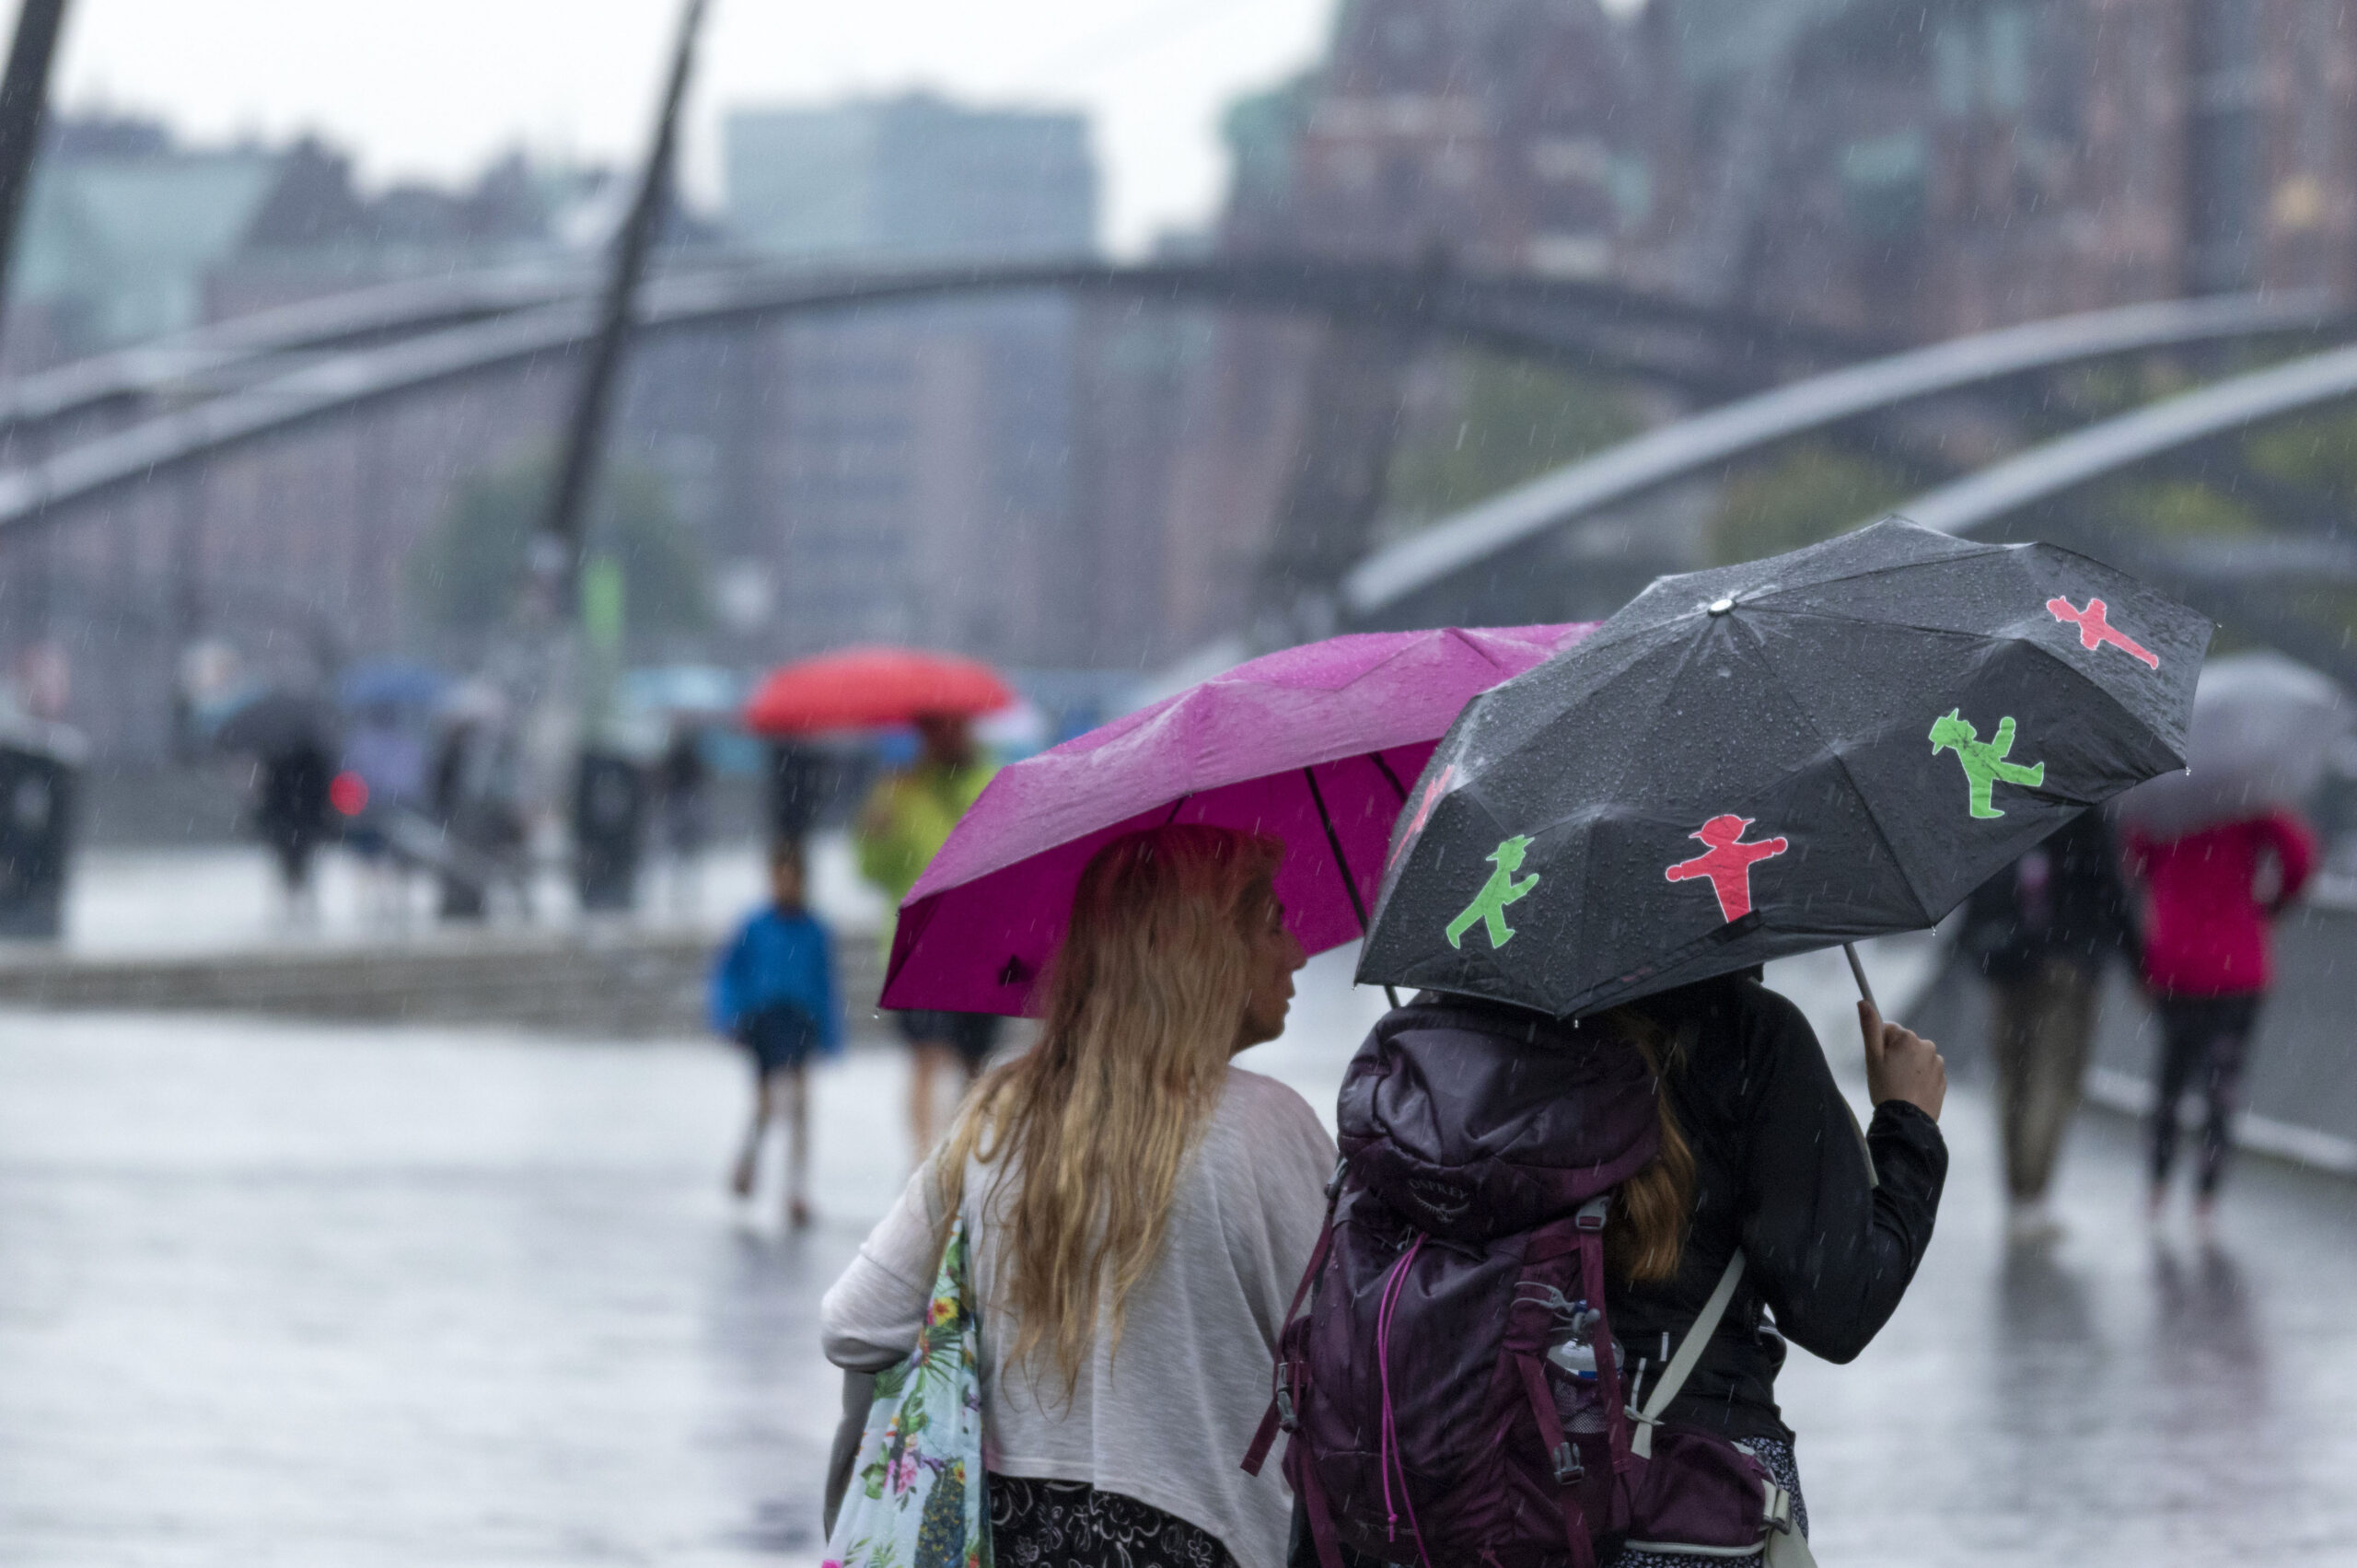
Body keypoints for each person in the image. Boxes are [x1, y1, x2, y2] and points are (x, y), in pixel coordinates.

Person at [1296, 972, 1949, 1568]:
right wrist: (1907, 1123)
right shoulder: (1746, 1031)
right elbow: (1839, 1306)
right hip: (1688, 1497)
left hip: (1469, 1487)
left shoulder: (1438, 1028)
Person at [821, 825, 1332, 1568]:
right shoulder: (1263, 1128)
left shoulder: (998, 1117)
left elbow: (855, 1325)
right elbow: (1363, 1373)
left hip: (1019, 1536)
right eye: (1272, 923)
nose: (1297, 952)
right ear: (1201, 951)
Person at [2122, 806, 2317, 1226]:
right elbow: (2301, 855)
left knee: (2170, 1079)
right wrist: (2272, 904)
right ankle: (2205, 1200)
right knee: (2222, 1084)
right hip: (2238, 964)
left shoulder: (2170, 800)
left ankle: (2157, 1188)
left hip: (2177, 963)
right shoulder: (2247, 795)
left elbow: (2135, 861)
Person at [1958, 809, 2137, 1242]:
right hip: (2067, 966)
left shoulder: (2002, 798)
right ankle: (2032, 1201)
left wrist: (1976, 946)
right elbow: (2110, 888)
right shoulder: (2085, 802)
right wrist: (2139, 962)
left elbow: (1978, 886)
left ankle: (2016, 1195)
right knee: (2052, 1082)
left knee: (2013, 1082)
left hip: (2006, 963)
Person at [853, 711, 1000, 1154]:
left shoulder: (995, 781)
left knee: (974, 1064)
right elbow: (871, 870)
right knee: (925, 1056)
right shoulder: (900, 790)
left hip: (983, 946)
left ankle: (963, 1157)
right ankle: (923, 1164)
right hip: (920, 950)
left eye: (949, 724)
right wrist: (878, 830)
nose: (942, 735)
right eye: (932, 728)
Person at [711, 838, 842, 1228]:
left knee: (800, 1104)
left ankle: (795, 1188)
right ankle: (750, 1161)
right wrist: (730, 1015)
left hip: (800, 1020)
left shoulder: (815, 929)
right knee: (767, 1101)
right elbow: (729, 973)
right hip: (764, 1020)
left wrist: (830, 1033)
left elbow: (825, 983)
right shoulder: (755, 925)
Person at [254, 738, 334, 923]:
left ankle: (291, 907)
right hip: (305, 824)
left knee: (287, 868)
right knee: (305, 867)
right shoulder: (315, 763)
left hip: (285, 825)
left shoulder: (276, 762)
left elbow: (268, 797)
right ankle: (305, 908)